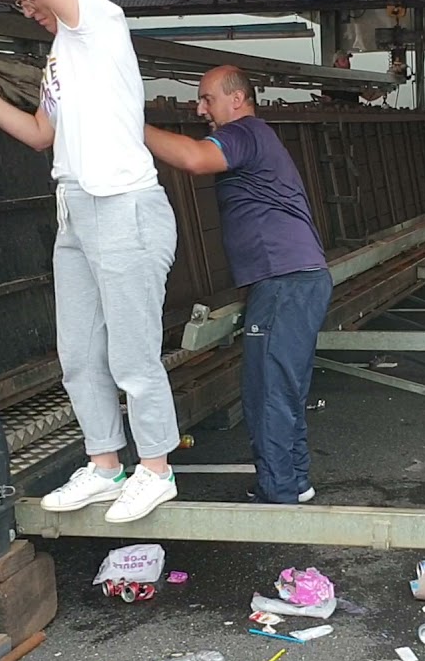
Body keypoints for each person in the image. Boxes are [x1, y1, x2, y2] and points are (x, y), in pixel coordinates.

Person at [0, 0, 179, 524]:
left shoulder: (97, 18)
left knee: (133, 354)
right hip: (75, 209)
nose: (27, 6)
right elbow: (41, 134)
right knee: (80, 355)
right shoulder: (61, 56)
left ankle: (156, 469)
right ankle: (105, 464)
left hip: (123, 206)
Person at [143, 66, 333, 505]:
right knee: (283, 386)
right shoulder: (257, 135)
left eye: (207, 98)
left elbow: (193, 158)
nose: (200, 108)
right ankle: (294, 480)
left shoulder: (244, 132)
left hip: (284, 280)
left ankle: (279, 491)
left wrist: (129, 122)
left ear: (236, 99)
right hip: (294, 279)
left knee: (267, 389)